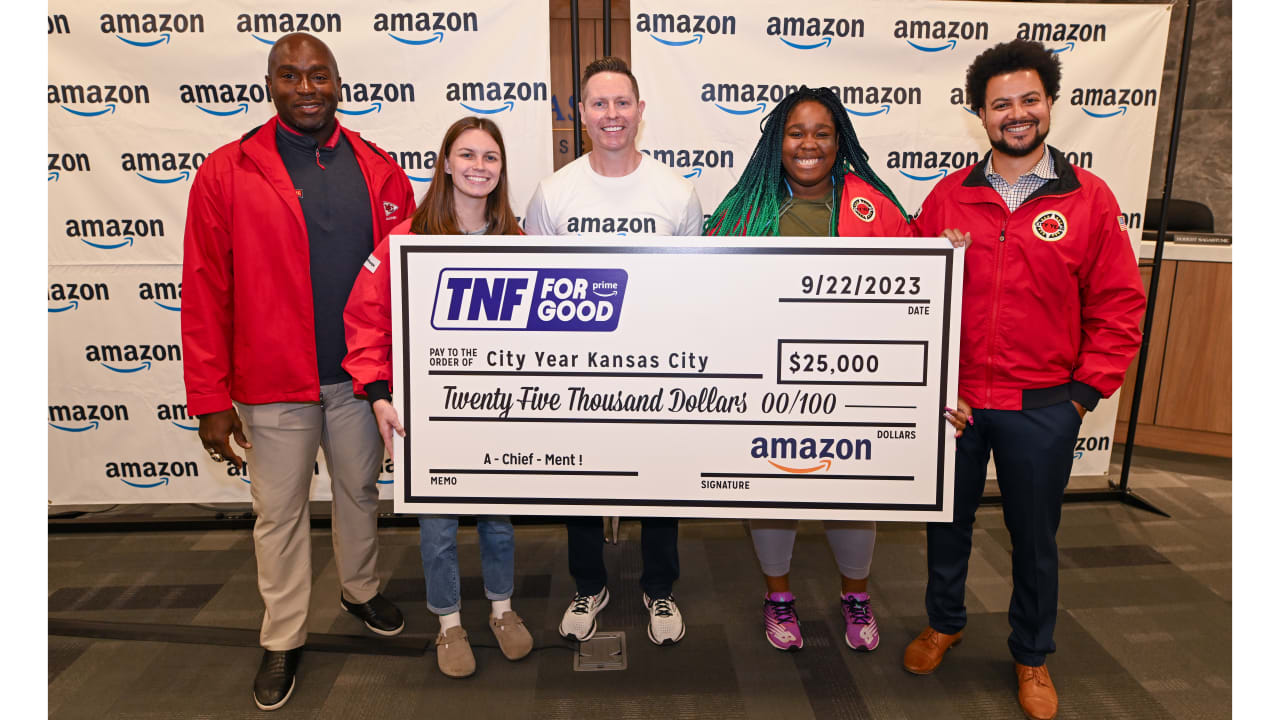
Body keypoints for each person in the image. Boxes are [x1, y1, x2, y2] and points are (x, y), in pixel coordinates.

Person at [905, 39, 1146, 720]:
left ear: (1049, 104)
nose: (1017, 113)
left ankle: (1032, 655)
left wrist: (1081, 396)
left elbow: (1120, 305)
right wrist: (928, 387)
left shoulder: (1090, 201)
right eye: (1001, 103)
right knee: (944, 523)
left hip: (1043, 407)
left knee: (1034, 538)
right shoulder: (948, 198)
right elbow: (913, 296)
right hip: (957, 405)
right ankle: (943, 621)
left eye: (1029, 100)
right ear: (979, 114)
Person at [180, 32, 413, 711]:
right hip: (270, 381)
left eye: (318, 75)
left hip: (357, 380)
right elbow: (203, 288)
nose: (306, 87)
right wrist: (208, 399)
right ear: (270, 85)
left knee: (359, 494)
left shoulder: (379, 168)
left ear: (338, 83)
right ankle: (282, 635)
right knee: (278, 515)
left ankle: (360, 590)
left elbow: (407, 271)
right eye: (290, 75)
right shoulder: (227, 171)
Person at [705, 86, 911, 653]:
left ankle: (856, 595)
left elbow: (915, 297)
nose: (808, 144)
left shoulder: (876, 207)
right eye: (796, 132)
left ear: (839, 140)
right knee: (772, 489)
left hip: (852, 381)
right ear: (778, 140)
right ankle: (778, 598)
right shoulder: (744, 208)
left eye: (822, 132)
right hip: (766, 384)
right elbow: (709, 297)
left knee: (852, 492)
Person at [342, 117, 533, 679]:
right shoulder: (405, 240)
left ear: (501, 169)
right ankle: (449, 623)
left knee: (500, 518)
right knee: (438, 524)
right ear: (445, 163)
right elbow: (366, 320)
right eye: (466, 155)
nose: (478, 167)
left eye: (490, 157)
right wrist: (378, 393)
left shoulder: (515, 241)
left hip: (498, 409)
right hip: (427, 411)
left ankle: (501, 608)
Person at [524, 56, 702, 646]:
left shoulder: (676, 194)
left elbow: (690, 294)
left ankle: (659, 588)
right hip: (577, 371)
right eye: (598, 103)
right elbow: (537, 293)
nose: (611, 115)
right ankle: (589, 584)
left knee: (659, 480)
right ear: (580, 113)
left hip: (657, 371)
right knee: (578, 478)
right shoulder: (554, 193)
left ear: (640, 110)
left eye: (621, 102)